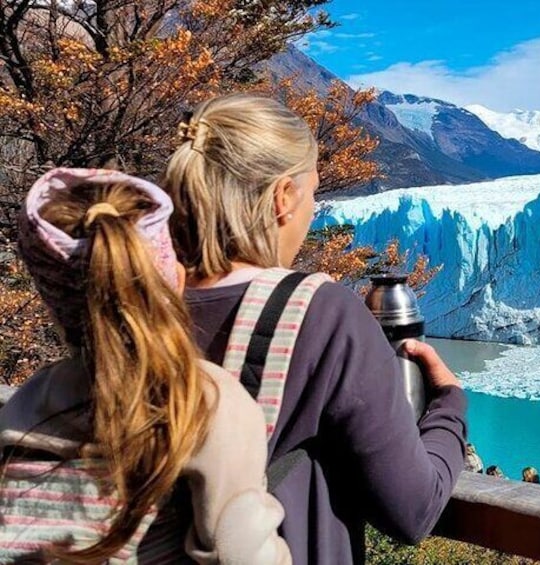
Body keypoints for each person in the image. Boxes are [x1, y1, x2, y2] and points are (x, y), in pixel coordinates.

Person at [163, 93, 468, 565]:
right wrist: (449, 405)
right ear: (284, 197)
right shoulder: (319, 312)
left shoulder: (144, 305)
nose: (311, 211)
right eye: (313, 192)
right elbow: (414, 509)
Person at [0, 168, 291, 563]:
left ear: (54, 308)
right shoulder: (206, 402)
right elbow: (240, 551)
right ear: (173, 276)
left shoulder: (25, 406)